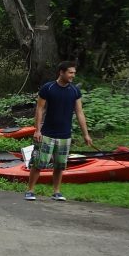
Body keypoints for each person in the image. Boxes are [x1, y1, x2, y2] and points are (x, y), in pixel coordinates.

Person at [25, 61, 93, 201]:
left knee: (60, 165)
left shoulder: (74, 91)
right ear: (61, 72)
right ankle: (30, 190)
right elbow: (39, 109)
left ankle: (56, 192)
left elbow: (80, 113)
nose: (73, 75)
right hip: (47, 134)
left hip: (65, 135)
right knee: (39, 163)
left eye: (74, 73)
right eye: (70, 72)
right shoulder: (48, 88)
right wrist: (37, 130)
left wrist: (86, 134)